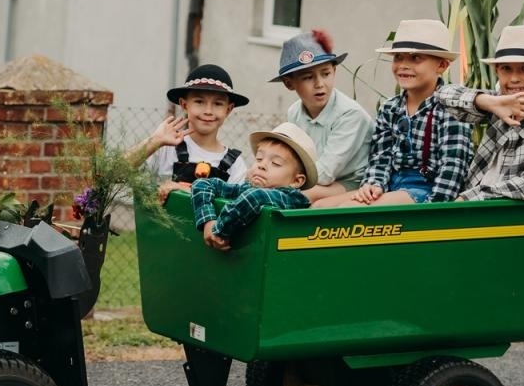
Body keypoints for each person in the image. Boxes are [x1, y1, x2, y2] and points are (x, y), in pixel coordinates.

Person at [317, 18, 471, 207]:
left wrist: (434, 208)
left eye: (415, 58)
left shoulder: (451, 109)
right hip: (390, 184)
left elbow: (452, 168)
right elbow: (380, 157)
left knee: (348, 210)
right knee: (319, 207)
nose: (403, 65)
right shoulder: (390, 108)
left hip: (425, 190)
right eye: (398, 57)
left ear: (441, 66)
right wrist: (373, 184)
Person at [437, 25, 524, 200]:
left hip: (519, 219)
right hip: (473, 211)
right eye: (506, 69)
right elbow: (442, 95)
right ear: (497, 71)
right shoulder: (496, 103)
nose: (514, 78)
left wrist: (468, 198)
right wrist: (487, 102)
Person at [271, 29, 373, 202]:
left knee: (298, 196)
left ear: (334, 71)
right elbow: (293, 157)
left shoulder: (350, 114)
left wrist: (280, 178)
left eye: (326, 74)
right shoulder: (294, 112)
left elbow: (326, 174)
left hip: (353, 183)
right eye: (308, 77)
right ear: (289, 83)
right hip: (313, 179)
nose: (320, 84)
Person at [129, 64, 250, 199]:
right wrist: (154, 141)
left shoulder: (235, 165)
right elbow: (118, 171)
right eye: (199, 101)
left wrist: (181, 189)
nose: (208, 111)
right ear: (184, 105)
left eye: (218, 104)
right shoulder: (166, 148)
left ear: (228, 109)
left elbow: (236, 209)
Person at [191, 122, 319, 251]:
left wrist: (219, 232)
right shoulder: (247, 188)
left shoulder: (289, 199)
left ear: (296, 181)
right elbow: (202, 184)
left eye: (276, 163)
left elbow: (255, 197)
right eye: (259, 158)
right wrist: (208, 221)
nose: (261, 165)